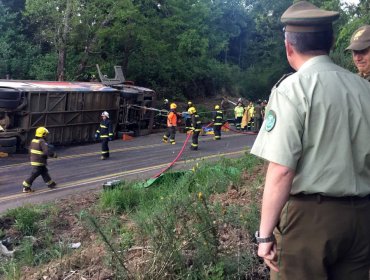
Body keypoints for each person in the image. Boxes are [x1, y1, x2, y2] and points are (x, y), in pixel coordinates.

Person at [250, 2, 370, 280]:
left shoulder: (292, 89)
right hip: (363, 217)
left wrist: (264, 234)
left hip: (311, 222)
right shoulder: (364, 88)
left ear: (289, 47)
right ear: (330, 42)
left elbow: (281, 170)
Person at [22, 127, 57, 193]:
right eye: (46, 134)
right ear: (43, 134)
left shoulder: (33, 141)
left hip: (34, 160)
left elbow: (30, 150)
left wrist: (31, 158)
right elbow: (46, 152)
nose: (47, 136)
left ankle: (50, 184)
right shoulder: (42, 141)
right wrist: (54, 155)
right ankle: (26, 185)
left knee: (44, 171)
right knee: (35, 173)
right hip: (39, 161)